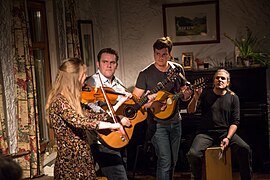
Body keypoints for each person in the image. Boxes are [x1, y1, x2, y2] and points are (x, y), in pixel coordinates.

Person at [45, 58, 130, 179]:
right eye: (83, 75)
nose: (85, 80)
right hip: (70, 163)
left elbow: (94, 115)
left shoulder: (73, 101)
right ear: (74, 79)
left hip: (83, 159)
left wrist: (118, 104)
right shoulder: (59, 101)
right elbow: (81, 122)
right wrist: (112, 125)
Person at [132, 36, 192, 180]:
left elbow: (185, 95)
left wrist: (187, 94)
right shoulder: (145, 74)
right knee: (165, 161)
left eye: (164, 54)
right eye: (157, 54)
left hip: (176, 121)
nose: (160, 57)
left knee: (173, 161)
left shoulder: (178, 69)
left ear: (170, 54)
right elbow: (135, 101)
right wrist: (152, 103)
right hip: (157, 124)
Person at [186, 69, 252, 180]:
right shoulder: (205, 94)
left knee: (245, 148)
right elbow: (190, 111)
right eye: (217, 78)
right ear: (214, 81)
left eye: (223, 78)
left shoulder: (233, 97)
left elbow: (235, 122)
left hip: (225, 132)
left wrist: (228, 137)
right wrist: (195, 97)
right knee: (193, 154)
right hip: (205, 133)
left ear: (228, 82)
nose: (220, 80)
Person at [85, 48, 132, 180]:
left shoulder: (118, 84)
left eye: (112, 62)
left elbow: (124, 108)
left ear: (116, 65)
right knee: (119, 177)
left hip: (119, 136)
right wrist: (117, 119)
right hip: (102, 138)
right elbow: (91, 110)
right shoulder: (91, 84)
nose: (109, 65)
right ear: (98, 64)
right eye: (105, 61)